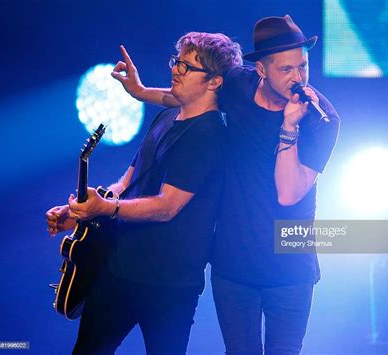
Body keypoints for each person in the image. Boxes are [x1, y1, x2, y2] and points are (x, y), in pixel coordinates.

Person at [113, 15, 340, 355]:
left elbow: (288, 192)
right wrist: (142, 92)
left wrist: (290, 126)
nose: (299, 79)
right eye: (286, 70)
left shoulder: (322, 119)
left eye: (302, 67)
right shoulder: (236, 84)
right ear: (261, 70)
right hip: (234, 265)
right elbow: (190, 96)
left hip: (290, 267)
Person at [46, 32, 242, 354]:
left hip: (169, 286)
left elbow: (167, 206)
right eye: (177, 62)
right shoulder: (166, 116)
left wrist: (103, 209)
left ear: (214, 82)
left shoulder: (208, 135)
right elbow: (126, 184)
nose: (176, 70)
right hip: (119, 269)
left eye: (187, 67)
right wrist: (81, 211)